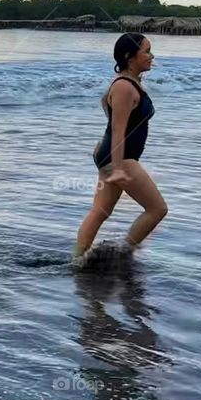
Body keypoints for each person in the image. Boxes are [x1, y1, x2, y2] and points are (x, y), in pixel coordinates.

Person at [74, 33, 168, 259]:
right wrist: (116, 168)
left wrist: (104, 148)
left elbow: (105, 104)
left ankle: (77, 261)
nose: (151, 56)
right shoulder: (125, 87)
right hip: (121, 158)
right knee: (157, 209)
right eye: (146, 51)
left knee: (100, 211)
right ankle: (123, 254)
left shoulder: (128, 84)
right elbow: (118, 130)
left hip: (114, 156)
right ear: (129, 57)